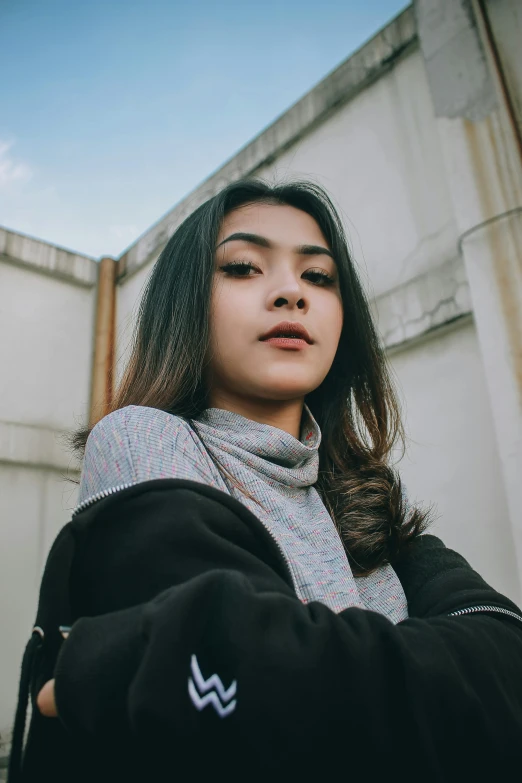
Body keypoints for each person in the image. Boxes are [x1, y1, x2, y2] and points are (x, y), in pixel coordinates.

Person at [9, 180, 522, 782]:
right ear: (184, 303)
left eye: (319, 277)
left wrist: (295, 663)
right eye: (245, 267)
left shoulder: (368, 494)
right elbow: (248, 705)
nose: (290, 294)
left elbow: (508, 656)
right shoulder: (144, 439)